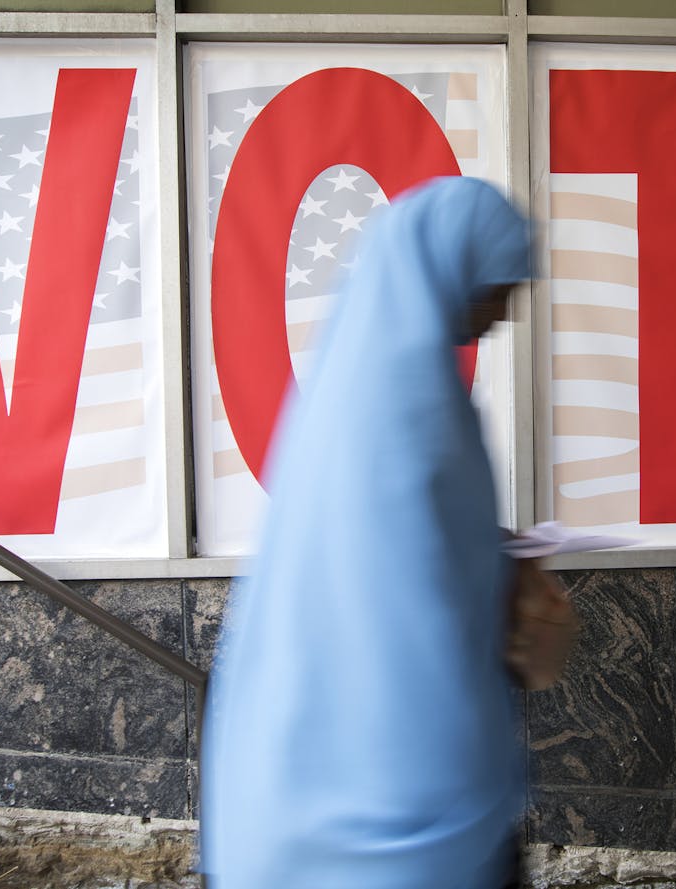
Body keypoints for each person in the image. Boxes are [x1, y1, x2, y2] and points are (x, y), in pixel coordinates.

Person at [199, 176, 532, 888]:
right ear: (447, 271)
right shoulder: (412, 410)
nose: (505, 311)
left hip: (303, 778)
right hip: (394, 790)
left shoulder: (359, 389)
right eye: (498, 285)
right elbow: (405, 594)